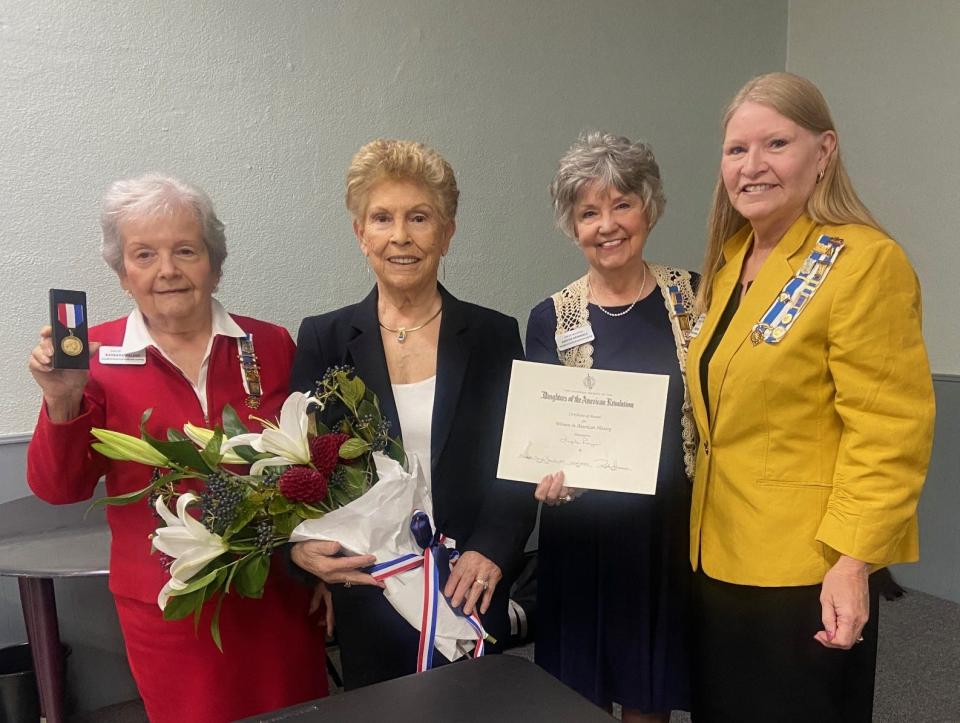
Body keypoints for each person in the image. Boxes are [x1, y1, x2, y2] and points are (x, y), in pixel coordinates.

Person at [26, 174, 328, 722]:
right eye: (144, 254)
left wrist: (319, 561)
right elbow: (58, 489)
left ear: (213, 262)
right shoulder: (93, 357)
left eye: (185, 250)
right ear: (122, 272)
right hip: (171, 609)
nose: (167, 269)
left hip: (275, 599)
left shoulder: (271, 343)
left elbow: (311, 464)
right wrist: (62, 403)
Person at [687, 72, 936, 722]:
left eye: (776, 143)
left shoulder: (863, 262)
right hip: (720, 553)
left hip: (807, 572)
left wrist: (854, 562)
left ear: (823, 151)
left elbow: (888, 433)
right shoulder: (732, 257)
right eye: (737, 149)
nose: (752, 165)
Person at [288, 139, 537, 689]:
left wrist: (492, 549)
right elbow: (295, 471)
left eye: (419, 218)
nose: (400, 236)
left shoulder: (495, 335)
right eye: (382, 218)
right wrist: (301, 550)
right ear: (360, 233)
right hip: (369, 587)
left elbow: (519, 461)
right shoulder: (323, 339)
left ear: (446, 233)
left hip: (471, 583)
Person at [526, 132, 697, 722]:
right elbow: (546, 427)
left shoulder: (694, 298)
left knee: (649, 688)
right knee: (581, 692)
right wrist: (547, 473)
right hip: (585, 529)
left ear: (649, 208)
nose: (608, 224)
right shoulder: (552, 315)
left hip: (668, 527)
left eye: (622, 204)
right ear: (572, 226)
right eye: (588, 212)